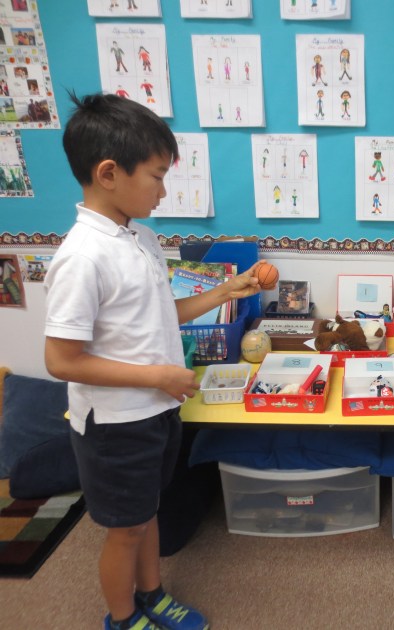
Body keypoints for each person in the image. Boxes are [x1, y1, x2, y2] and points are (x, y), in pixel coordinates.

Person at [44, 93, 261, 630]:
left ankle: (153, 595)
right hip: (115, 424)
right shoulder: (82, 256)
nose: (163, 192)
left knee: (146, 514)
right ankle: (122, 619)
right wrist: (157, 375)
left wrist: (225, 291)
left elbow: (163, 313)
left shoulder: (137, 236)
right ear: (109, 173)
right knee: (125, 529)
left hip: (156, 410)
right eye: (157, 177)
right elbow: (61, 360)